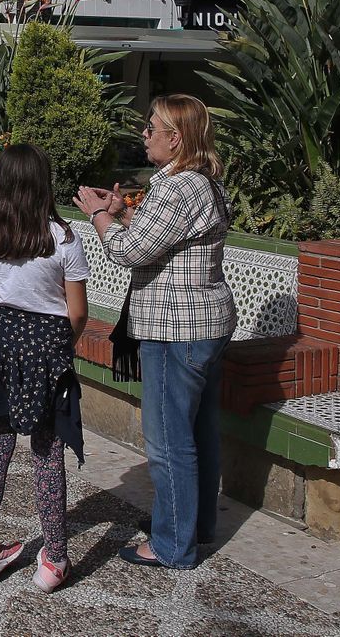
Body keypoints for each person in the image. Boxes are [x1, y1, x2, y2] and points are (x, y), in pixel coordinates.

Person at [73, 94, 235, 570]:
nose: (144, 135)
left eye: (151, 128)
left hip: (175, 327)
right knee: (199, 433)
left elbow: (132, 253)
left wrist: (99, 217)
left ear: (175, 137)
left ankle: (171, 544)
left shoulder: (176, 187)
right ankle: (195, 526)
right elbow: (166, 238)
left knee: (168, 440)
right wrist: (123, 210)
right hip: (205, 322)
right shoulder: (201, 182)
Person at [0, 143, 90, 593]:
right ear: (43, 183)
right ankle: (54, 560)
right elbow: (76, 312)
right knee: (46, 449)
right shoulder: (63, 238)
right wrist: (58, 347)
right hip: (47, 348)